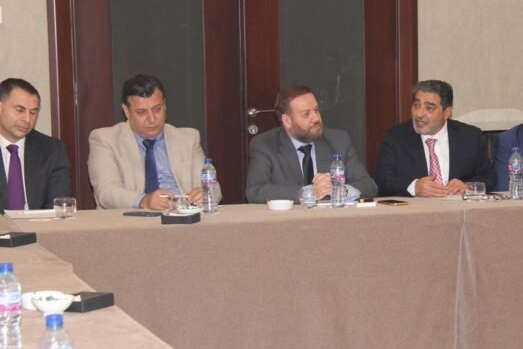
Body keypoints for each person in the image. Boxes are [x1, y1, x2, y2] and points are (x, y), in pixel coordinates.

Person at [88, 74, 220, 209]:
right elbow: (106, 193)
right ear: (126, 111)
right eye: (142, 112)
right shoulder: (105, 140)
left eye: (157, 109)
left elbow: (214, 189)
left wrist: (204, 194)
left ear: (165, 105)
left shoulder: (188, 139)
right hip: (133, 217)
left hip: (183, 215)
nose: (152, 119)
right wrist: (144, 201)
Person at [245, 84, 377, 203]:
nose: (316, 118)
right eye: (306, 114)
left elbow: (369, 185)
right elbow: (255, 191)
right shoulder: (265, 145)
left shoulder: (339, 140)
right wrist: (308, 192)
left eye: (316, 110)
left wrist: (340, 190)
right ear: (287, 121)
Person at [374, 80, 495, 197]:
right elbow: (382, 181)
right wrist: (414, 187)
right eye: (416, 105)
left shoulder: (470, 136)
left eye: (429, 108)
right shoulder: (395, 137)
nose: (419, 114)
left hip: (458, 207)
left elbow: (489, 177)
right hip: (416, 209)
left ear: (447, 112)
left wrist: (468, 186)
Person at [0, 78, 71, 212]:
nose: (27, 119)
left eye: (33, 112)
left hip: (39, 224)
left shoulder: (52, 150)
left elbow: (57, 207)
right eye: (20, 110)